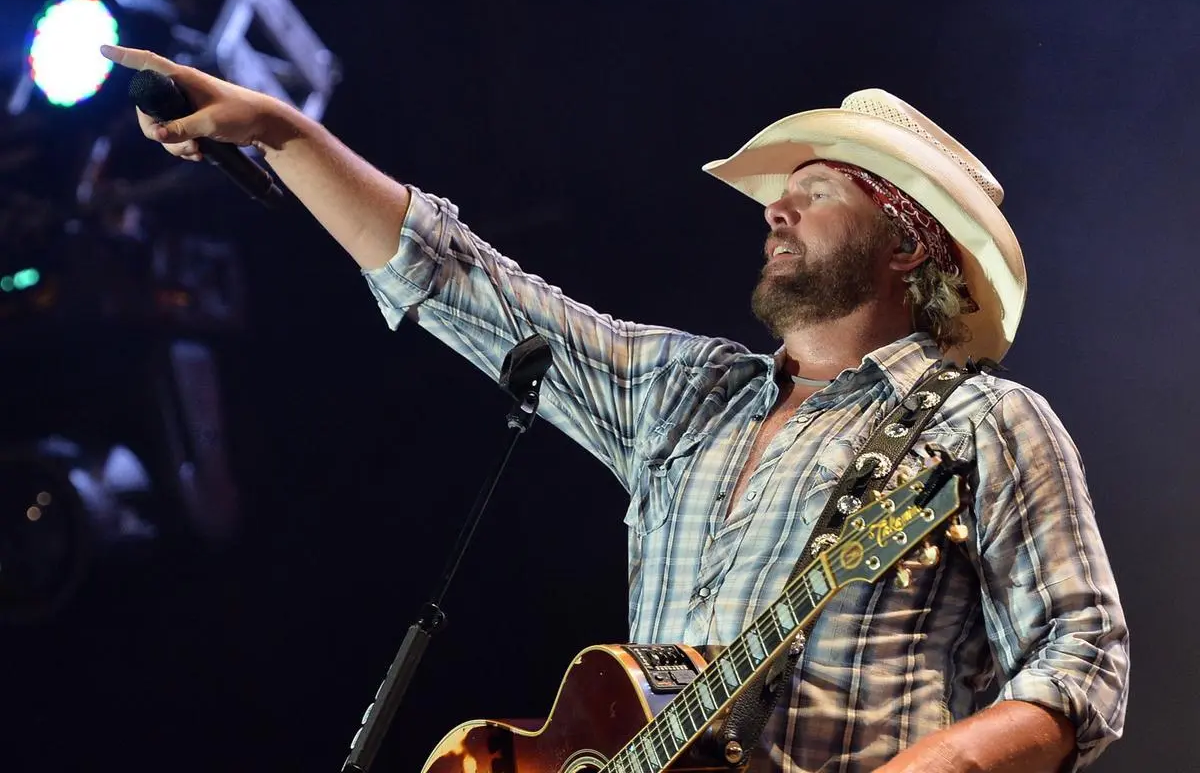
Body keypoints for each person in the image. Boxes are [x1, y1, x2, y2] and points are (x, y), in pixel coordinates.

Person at [99, 43, 1129, 773]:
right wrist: (282, 130)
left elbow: (1083, 656)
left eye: (818, 192)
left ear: (906, 244)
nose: (775, 205)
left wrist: (948, 759)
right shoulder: (692, 393)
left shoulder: (989, 420)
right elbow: (467, 284)